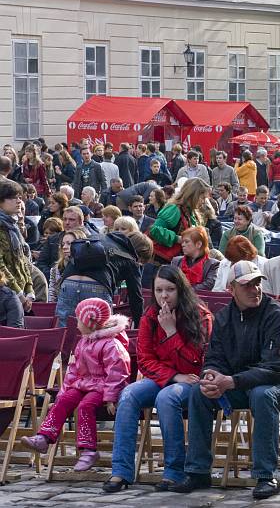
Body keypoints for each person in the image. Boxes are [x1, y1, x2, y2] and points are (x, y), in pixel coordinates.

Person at [173, 260, 280, 499]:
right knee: (198, 392)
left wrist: (230, 381)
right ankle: (198, 471)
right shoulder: (224, 317)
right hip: (240, 383)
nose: (254, 289)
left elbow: (275, 368)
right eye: (247, 285)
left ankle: (266, 476)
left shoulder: (277, 315)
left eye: (257, 283)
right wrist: (211, 376)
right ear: (231, 289)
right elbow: (215, 357)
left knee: (262, 394)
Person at [104, 267, 212, 492]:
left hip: (193, 381)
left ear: (181, 290)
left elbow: (195, 363)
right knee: (129, 394)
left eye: (170, 290)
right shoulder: (150, 316)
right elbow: (145, 360)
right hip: (166, 377)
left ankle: (174, 471)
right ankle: (121, 471)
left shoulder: (201, 316)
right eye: (159, 290)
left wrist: (171, 332)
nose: (164, 296)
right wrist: (173, 376)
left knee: (166, 398)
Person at [22, 298, 130, 472]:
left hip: (102, 387)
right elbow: (73, 369)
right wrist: (65, 391)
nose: (77, 323)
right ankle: (44, 437)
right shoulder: (84, 341)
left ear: (90, 321)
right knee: (64, 399)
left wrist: (111, 398)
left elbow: (117, 372)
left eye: (79, 319)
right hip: (84, 384)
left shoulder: (111, 344)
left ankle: (88, 451)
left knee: (85, 406)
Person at [149, 179, 210, 264]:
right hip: (162, 262)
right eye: (202, 198)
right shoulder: (174, 209)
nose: (203, 202)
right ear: (193, 195)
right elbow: (155, 230)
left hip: (178, 262)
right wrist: (177, 238)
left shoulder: (191, 212)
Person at [0, 180, 34, 313]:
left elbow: (22, 259)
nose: (19, 201)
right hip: (5, 295)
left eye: (20, 197)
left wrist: (29, 289)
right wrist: (19, 293)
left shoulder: (12, 226)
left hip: (19, 294)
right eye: (13, 198)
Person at [170, 227, 220, 291]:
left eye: (186, 242)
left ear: (198, 244)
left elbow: (208, 285)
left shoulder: (213, 264)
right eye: (182, 242)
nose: (183, 245)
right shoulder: (176, 261)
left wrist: (185, 291)